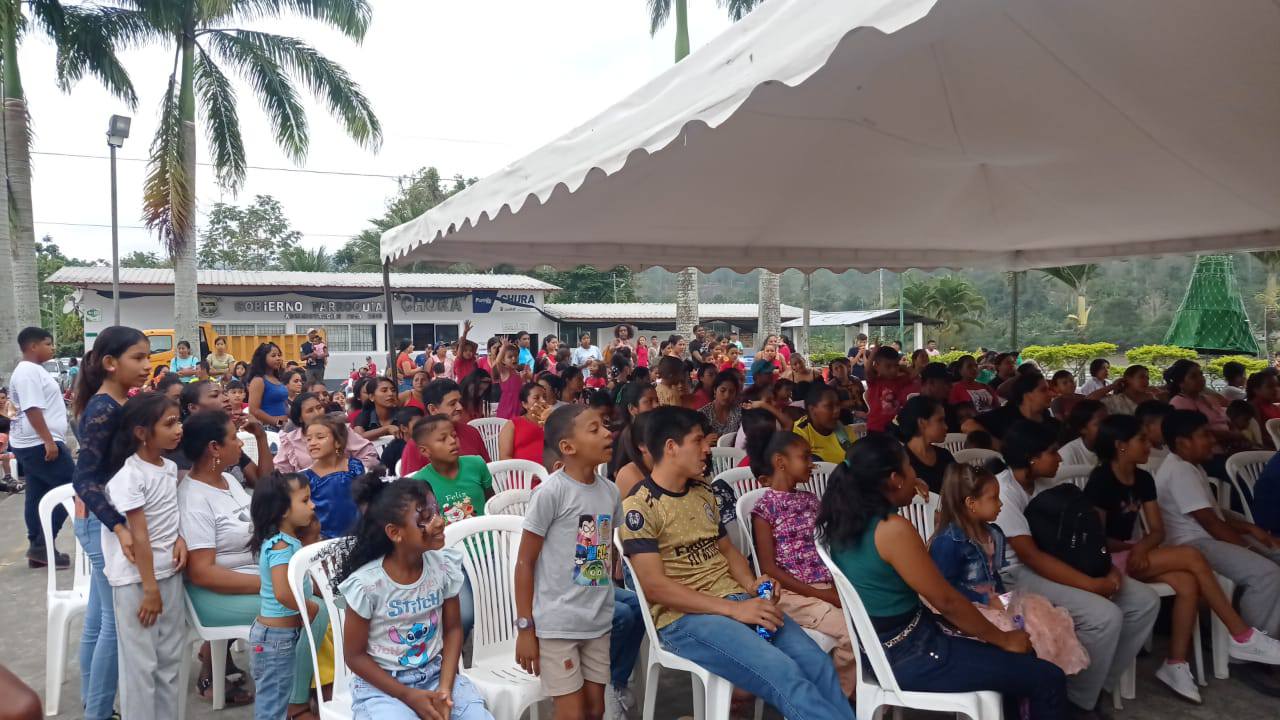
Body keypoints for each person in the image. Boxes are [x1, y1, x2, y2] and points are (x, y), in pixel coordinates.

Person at [619, 406, 854, 719]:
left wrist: (752, 585)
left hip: (736, 600)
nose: (707, 449)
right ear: (671, 447)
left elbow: (728, 550)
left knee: (818, 665)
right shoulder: (640, 507)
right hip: (684, 618)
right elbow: (654, 587)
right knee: (783, 672)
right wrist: (734, 609)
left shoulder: (702, 492)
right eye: (698, 440)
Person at [819, 433, 1067, 718]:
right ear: (894, 479)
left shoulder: (843, 521)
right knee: (1047, 677)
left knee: (1019, 660)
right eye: (910, 468)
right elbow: (946, 601)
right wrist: (1002, 639)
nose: (915, 475)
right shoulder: (892, 530)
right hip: (913, 654)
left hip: (883, 650)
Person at [1087, 413, 1280, 702]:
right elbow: (1096, 537)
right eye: (1142, 439)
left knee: (1188, 584)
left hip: (1136, 552)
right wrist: (1133, 548)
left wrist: (1140, 547)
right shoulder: (1101, 480)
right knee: (1191, 556)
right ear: (1120, 445)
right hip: (1108, 558)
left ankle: (1175, 664)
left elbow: (1157, 530)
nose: (1150, 445)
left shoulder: (1143, 478)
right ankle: (1242, 635)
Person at [993, 420, 1158, 717]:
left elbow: (1086, 537)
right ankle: (1078, 702)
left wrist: (1107, 569)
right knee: (1105, 616)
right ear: (1032, 457)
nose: (1059, 458)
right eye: (1052, 452)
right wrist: (1091, 585)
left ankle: (1098, 683)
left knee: (1144, 601)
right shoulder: (1004, 492)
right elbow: (1030, 556)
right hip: (1014, 576)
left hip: (1058, 562)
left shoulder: (1046, 484)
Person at [337, 478, 491, 719]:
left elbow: (453, 630)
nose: (439, 522)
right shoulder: (367, 585)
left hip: (436, 675)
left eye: (437, 511)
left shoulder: (444, 567)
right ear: (395, 533)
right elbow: (354, 656)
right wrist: (408, 695)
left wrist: (444, 690)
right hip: (383, 688)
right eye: (426, 518)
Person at [515, 405, 626, 718]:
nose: (607, 433)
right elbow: (524, 562)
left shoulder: (610, 492)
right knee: (571, 713)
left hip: (596, 621)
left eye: (605, 425)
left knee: (595, 709)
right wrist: (525, 628)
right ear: (567, 447)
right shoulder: (551, 493)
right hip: (558, 624)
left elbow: (599, 552)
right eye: (594, 429)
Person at [930, 464, 1088, 675]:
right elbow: (943, 588)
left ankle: (1044, 678)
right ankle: (1026, 681)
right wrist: (986, 600)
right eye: (994, 498)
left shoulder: (993, 533)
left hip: (995, 601)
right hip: (968, 609)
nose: (1001, 503)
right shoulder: (949, 541)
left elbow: (993, 574)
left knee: (1040, 622)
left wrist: (1005, 600)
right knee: (1013, 634)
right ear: (971, 503)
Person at [71, 326, 153, 719]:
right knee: (115, 625)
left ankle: (94, 702)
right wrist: (119, 527)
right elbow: (84, 478)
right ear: (109, 363)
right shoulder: (104, 409)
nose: (147, 365)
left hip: (100, 521)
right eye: (138, 357)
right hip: (103, 524)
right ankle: (99, 711)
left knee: (98, 618)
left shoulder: (118, 403)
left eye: (147, 356)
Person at [1154, 410, 1280, 647]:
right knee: (1266, 575)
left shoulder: (1191, 466)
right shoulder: (1180, 471)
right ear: (1183, 442)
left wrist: (1249, 529)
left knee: (1274, 555)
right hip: (1193, 544)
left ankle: (1270, 633)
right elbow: (1209, 523)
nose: (1212, 440)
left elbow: (1214, 514)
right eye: (1205, 435)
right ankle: (1252, 647)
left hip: (1208, 538)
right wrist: (1249, 549)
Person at [102, 393, 189, 719]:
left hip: (168, 573)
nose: (178, 429)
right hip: (138, 581)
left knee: (169, 661)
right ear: (142, 433)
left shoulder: (168, 467)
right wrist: (150, 588)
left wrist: (179, 538)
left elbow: (167, 517)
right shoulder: (130, 476)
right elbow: (139, 534)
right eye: (169, 424)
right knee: (141, 667)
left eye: (179, 421)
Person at [749, 432, 856, 695]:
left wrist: (835, 587)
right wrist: (822, 595)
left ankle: (851, 692)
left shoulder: (810, 500)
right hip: (791, 594)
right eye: (805, 457)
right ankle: (841, 698)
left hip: (826, 587)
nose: (812, 463)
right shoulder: (765, 510)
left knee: (870, 620)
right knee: (852, 632)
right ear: (781, 462)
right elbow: (769, 569)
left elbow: (828, 545)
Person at [179, 410, 260, 705]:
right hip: (213, 592)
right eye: (233, 438)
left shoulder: (227, 480)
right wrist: (270, 584)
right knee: (302, 608)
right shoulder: (194, 499)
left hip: (246, 579)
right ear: (214, 447)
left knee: (321, 599)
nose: (240, 443)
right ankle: (294, 700)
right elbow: (202, 573)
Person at [248, 470, 327, 720]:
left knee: (278, 701)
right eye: (305, 500)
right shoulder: (281, 546)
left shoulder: (287, 541)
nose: (312, 505)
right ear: (283, 510)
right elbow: (283, 592)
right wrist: (309, 608)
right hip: (276, 640)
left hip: (279, 638)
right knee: (273, 707)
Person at [10, 327, 74, 567]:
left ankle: (38, 549)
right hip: (38, 443)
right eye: (48, 343)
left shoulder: (33, 370)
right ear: (33, 346)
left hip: (35, 442)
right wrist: (48, 440)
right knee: (74, 487)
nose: (53, 348)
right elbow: (32, 408)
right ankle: (41, 545)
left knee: (37, 495)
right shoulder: (28, 372)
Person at [176, 380, 275, 485]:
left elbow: (264, 484)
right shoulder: (182, 448)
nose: (226, 398)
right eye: (215, 395)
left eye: (224, 393)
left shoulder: (225, 439)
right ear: (193, 407)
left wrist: (261, 436)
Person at [411, 414, 495, 524]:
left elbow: (491, 503)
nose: (452, 441)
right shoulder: (418, 483)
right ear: (425, 451)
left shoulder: (476, 464)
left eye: (454, 435)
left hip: (486, 532)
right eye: (443, 439)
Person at [399, 379, 491, 475]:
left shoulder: (471, 432)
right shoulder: (417, 444)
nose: (460, 407)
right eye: (452, 403)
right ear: (433, 409)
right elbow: (410, 482)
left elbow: (488, 470)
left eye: (460, 402)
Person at [275, 392, 378, 473]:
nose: (317, 413)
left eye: (319, 408)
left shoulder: (340, 430)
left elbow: (368, 454)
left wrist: (351, 472)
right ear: (300, 418)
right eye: (310, 410)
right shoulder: (290, 441)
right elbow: (280, 471)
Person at [303, 415, 365, 538]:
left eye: (320, 437)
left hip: (359, 535)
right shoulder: (307, 478)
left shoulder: (354, 467)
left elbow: (364, 501)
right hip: (326, 541)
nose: (312, 443)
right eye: (308, 439)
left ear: (338, 442)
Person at [966, 372, 1056, 444]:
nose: (1052, 394)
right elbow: (968, 425)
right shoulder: (1006, 414)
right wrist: (1000, 446)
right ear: (1027, 394)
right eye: (1043, 390)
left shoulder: (1048, 420)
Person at [899, 396, 955, 494]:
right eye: (940, 420)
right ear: (922, 423)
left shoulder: (945, 456)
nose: (946, 427)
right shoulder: (901, 462)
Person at [791, 384, 853, 464]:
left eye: (838, 405)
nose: (837, 410)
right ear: (812, 410)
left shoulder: (843, 431)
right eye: (829, 406)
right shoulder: (801, 432)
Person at [864, 345, 916, 433]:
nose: (893, 370)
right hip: (876, 427)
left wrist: (902, 367)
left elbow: (914, 374)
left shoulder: (899, 380)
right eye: (888, 366)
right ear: (876, 366)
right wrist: (873, 353)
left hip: (895, 427)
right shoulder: (874, 381)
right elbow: (868, 370)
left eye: (896, 365)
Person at [499, 383, 552, 465]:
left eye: (544, 397)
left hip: (551, 471)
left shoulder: (553, 422)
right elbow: (504, 457)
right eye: (536, 398)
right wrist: (527, 469)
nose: (543, 401)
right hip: (521, 471)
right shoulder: (512, 425)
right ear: (525, 404)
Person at [246, 342, 289, 429]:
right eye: (273, 356)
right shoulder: (258, 380)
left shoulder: (277, 379)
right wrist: (279, 423)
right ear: (262, 359)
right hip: (269, 428)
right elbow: (254, 411)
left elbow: (285, 405)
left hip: (284, 427)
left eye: (279, 355)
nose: (278, 358)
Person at [1057, 400, 1107, 467]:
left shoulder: (1113, 446)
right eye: (1100, 423)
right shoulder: (1067, 455)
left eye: (1109, 421)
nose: (1107, 426)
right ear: (1082, 429)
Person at [698, 370, 743, 438]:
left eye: (731, 392)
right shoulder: (702, 414)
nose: (727, 395)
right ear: (715, 390)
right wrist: (704, 441)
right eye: (722, 390)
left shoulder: (740, 412)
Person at [356, 377, 402, 441]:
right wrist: (386, 429)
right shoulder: (365, 415)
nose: (390, 394)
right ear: (371, 397)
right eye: (384, 391)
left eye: (393, 390)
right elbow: (358, 437)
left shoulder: (405, 414)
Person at [493, 341, 527, 420]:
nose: (514, 358)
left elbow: (522, 389)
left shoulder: (518, 373)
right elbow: (497, 362)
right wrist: (503, 347)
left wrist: (523, 379)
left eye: (516, 356)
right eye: (510, 357)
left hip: (518, 406)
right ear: (503, 361)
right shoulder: (505, 372)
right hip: (507, 407)